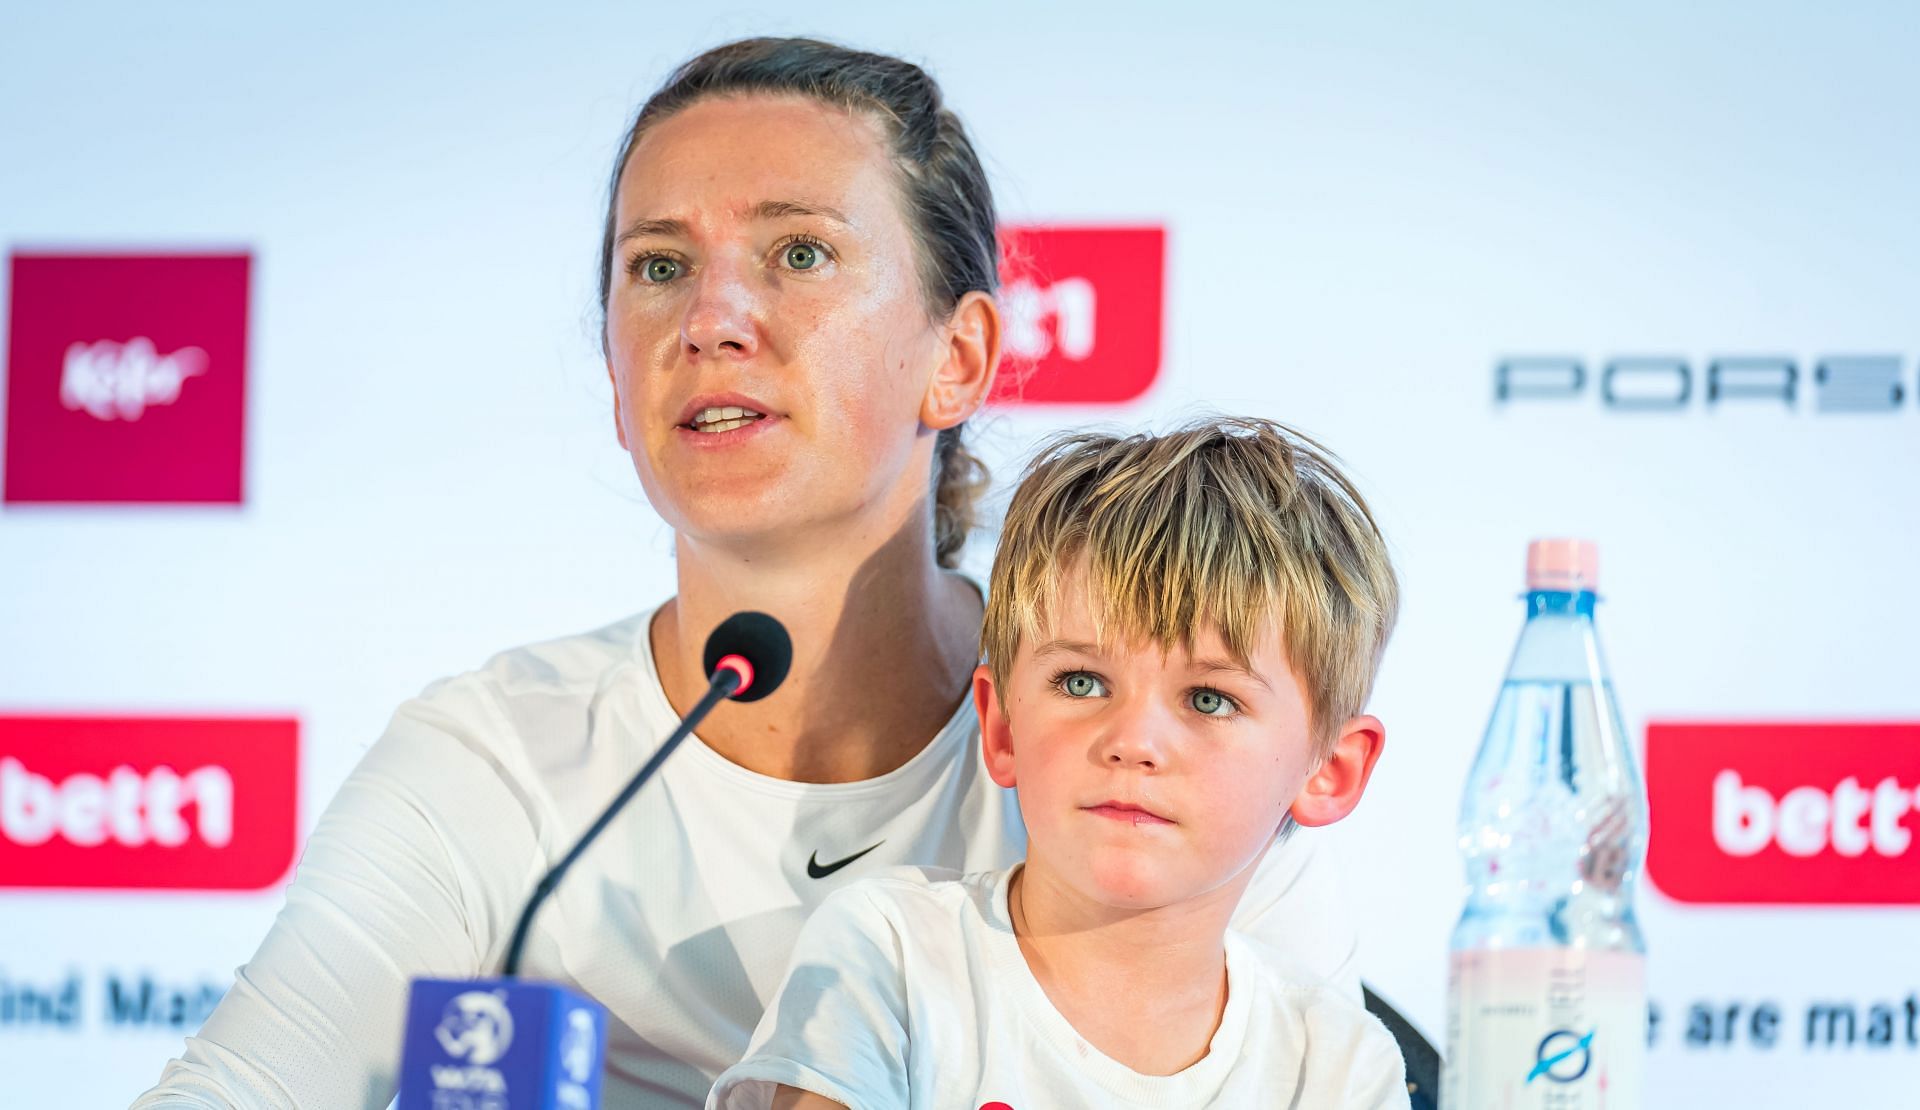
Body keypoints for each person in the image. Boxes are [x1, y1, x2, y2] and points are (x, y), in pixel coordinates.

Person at [135, 39, 1363, 1109]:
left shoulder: (1147, 762)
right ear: (616, 377)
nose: (711, 318)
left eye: (799, 254)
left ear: (961, 354)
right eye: (658, 266)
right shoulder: (495, 759)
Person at [707, 419, 1407, 1109]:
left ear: (1331, 770)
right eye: (1082, 683)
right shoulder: (892, 956)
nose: (1133, 742)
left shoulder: (1338, 1064)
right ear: (1002, 726)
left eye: (1208, 699)